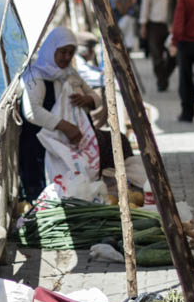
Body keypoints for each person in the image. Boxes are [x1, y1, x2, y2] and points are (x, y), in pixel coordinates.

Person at [19, 27, 131, 200]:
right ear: (51, 50)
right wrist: (65, 127)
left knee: (120, 142)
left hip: (77, 139)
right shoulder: (35, 76)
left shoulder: (70, 74)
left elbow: (96, 98)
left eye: (70, 53)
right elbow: (32, 112)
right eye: (62, 52)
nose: (66, 57)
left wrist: (87, 100)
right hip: (43, 143)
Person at [139, 0, 176, 91]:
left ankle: (163, 77)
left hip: (171, 25)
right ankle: (162, 80)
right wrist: (143, 25)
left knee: (173, 55)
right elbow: (145, 6)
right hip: (155, 25)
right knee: (156, 56)